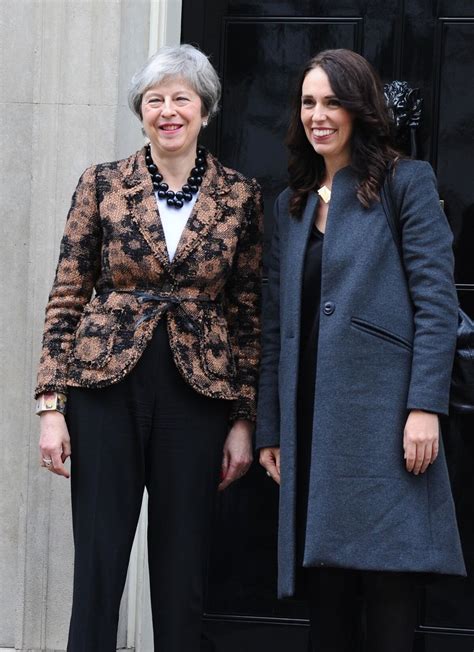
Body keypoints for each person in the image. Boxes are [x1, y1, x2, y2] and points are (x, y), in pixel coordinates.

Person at [35, 44, 263, 652]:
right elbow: (66, 295)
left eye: (181, 98)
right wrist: (51, 407)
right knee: (99, 566)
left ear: (205, 110)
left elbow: (247, 311)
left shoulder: (240, 195)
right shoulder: (102, 183)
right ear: (140, 111)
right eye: (155, 99)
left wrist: (243, 419)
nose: (168, 110)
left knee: (182, 569)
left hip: (197, 393)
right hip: (105, 388)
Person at [256, 48, 465, 652]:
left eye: (332, 102)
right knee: (328, 593)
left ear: (359, 109)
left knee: (389, 589)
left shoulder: (405, 182)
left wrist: (425, 406)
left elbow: (437, 303)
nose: (318, 116)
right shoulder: (291, 203)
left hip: (385, 420)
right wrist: (271, 427)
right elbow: (276, 326)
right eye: (307, 103)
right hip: (309, 425)